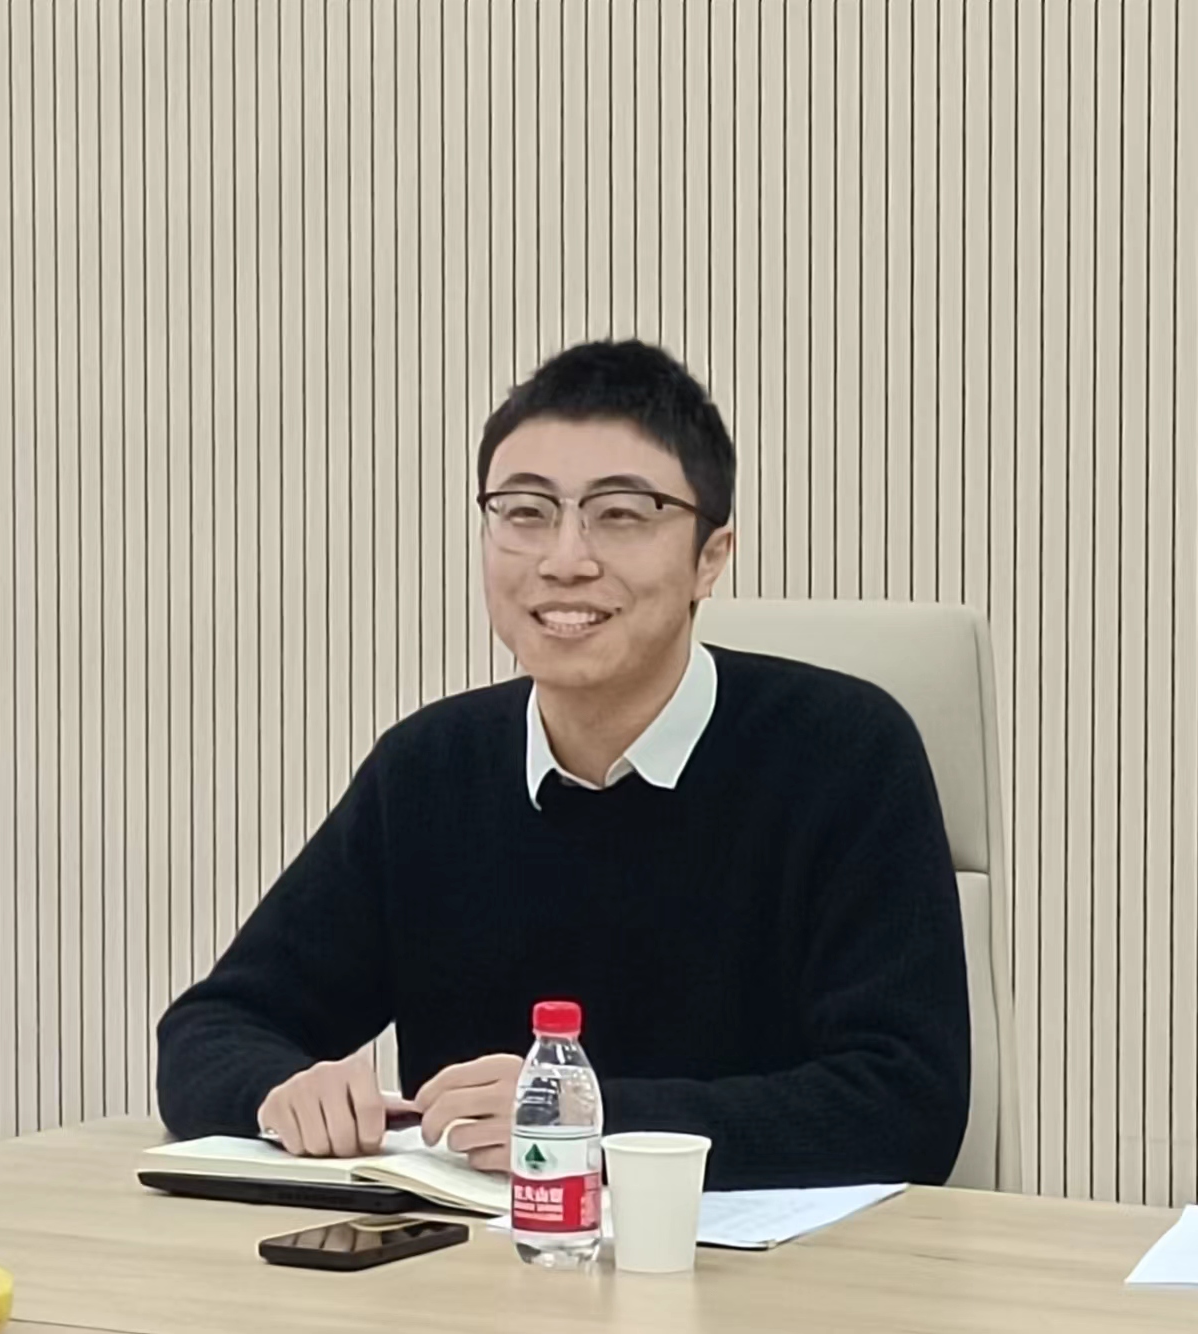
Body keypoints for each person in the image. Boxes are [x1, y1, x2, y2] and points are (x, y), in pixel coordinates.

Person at [156, 339, 970, 1190]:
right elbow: (213, 1028)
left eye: (621, 514)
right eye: (525, 512)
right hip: (476, 1260)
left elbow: (907, 1102)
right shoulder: (430, 770)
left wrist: (584, 1121)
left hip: (776, 1263)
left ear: (711, 556)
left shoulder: (843, 754)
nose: (565, 560)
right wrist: (281, 1090)